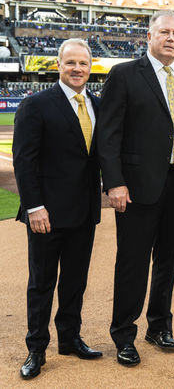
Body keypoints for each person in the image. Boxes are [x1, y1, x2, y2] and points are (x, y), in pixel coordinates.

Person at [97, 10, 174, 367]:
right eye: (164, 32)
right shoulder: (125, 74)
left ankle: (159, 326)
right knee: (133, 261)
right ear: (149, 36)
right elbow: (108, 134)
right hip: (138, 186)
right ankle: (124, 334)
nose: (171, 38)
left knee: (168, 259)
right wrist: (114, 182)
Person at [13, 39, 102, 379]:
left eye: (82, 63)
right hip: (46, 213)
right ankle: (36, 348)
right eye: (70, 63)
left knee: (75, 281)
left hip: (84, 211)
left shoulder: (97, 102)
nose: (77, 68)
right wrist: (34, 207)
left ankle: (69, 338)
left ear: (90, 66)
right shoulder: (36, 104)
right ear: (59, 65)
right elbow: (24, 160)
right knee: (41, 283)